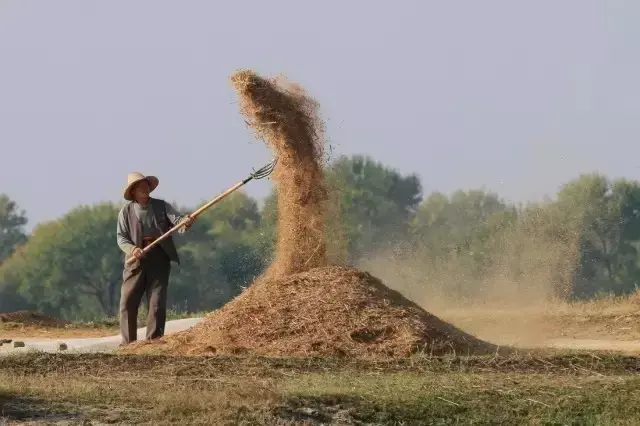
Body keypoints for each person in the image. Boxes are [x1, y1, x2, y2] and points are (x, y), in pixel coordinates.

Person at [116, 172, 195, 345]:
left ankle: (154, 340)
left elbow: (178, 222)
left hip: (160, 258)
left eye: (146, 185)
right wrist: (133, 249)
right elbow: (121, 238)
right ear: (133, 191)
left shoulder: (162, 206)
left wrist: (186, 221)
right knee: (128, 301)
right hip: (136, 260)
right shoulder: (126, 212)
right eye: (140, 186)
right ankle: (128, 343)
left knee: (157, 301)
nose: (144, 188)